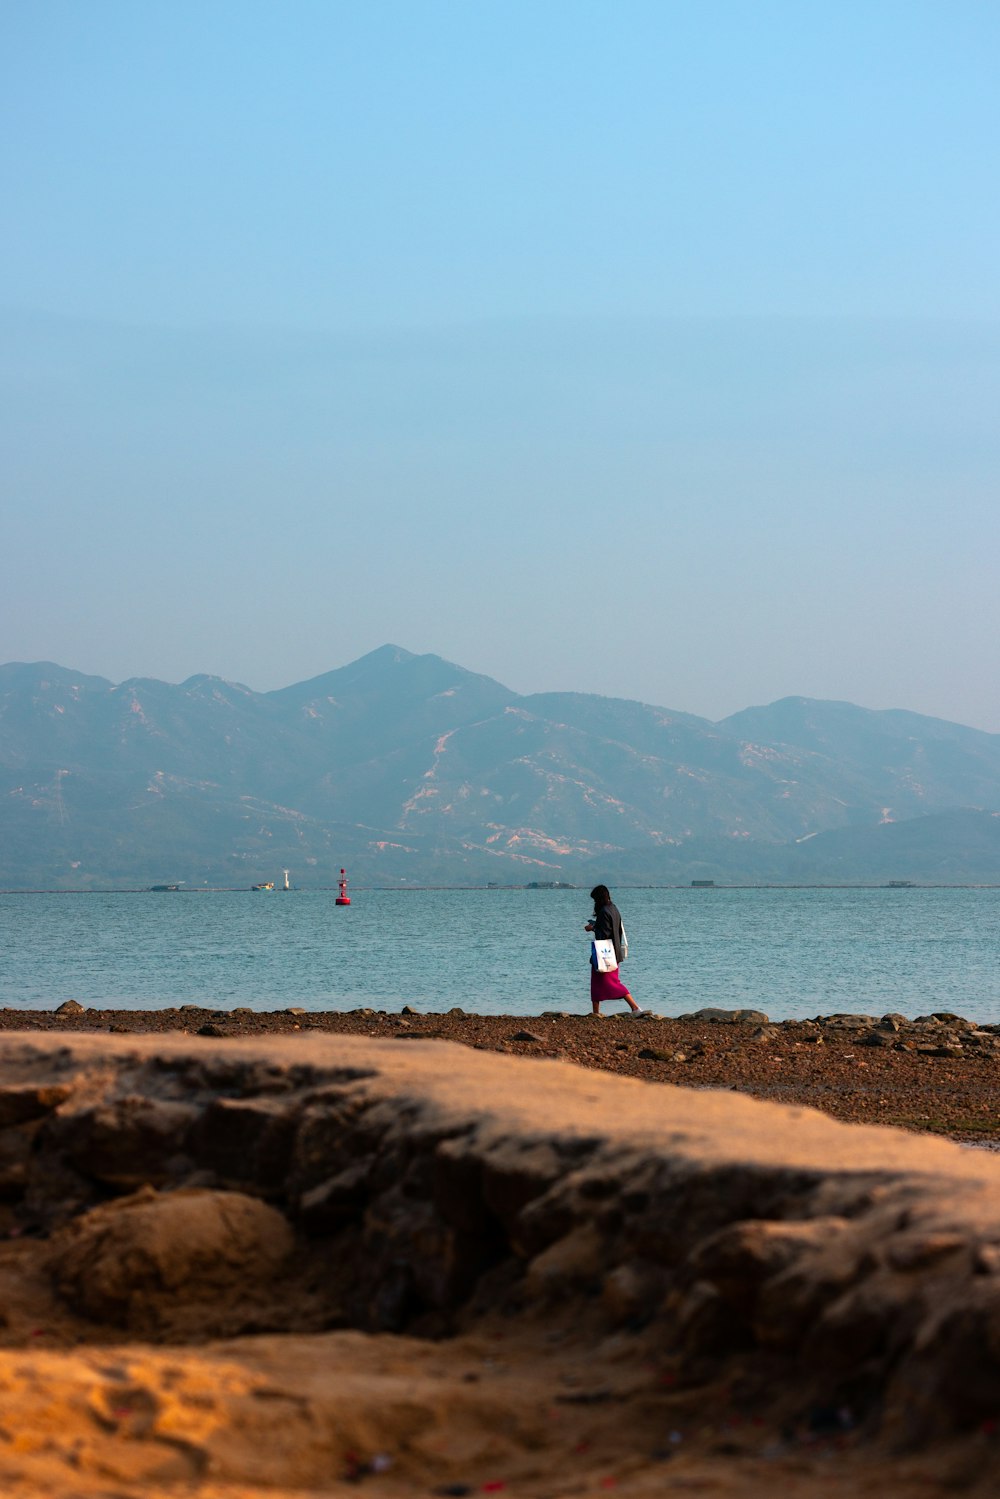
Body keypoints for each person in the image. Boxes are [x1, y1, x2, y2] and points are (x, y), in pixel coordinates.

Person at [584, 884, 646, 1015]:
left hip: (605, 954)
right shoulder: (614, 909)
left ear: (599, 899)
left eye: (595, 900)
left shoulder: (604, 912)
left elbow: (604, 934)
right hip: (614, 952)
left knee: (612, 983)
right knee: (599, 983)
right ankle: (595, 1012)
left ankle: (635, 1008)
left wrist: (593, 928)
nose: (594, 902)